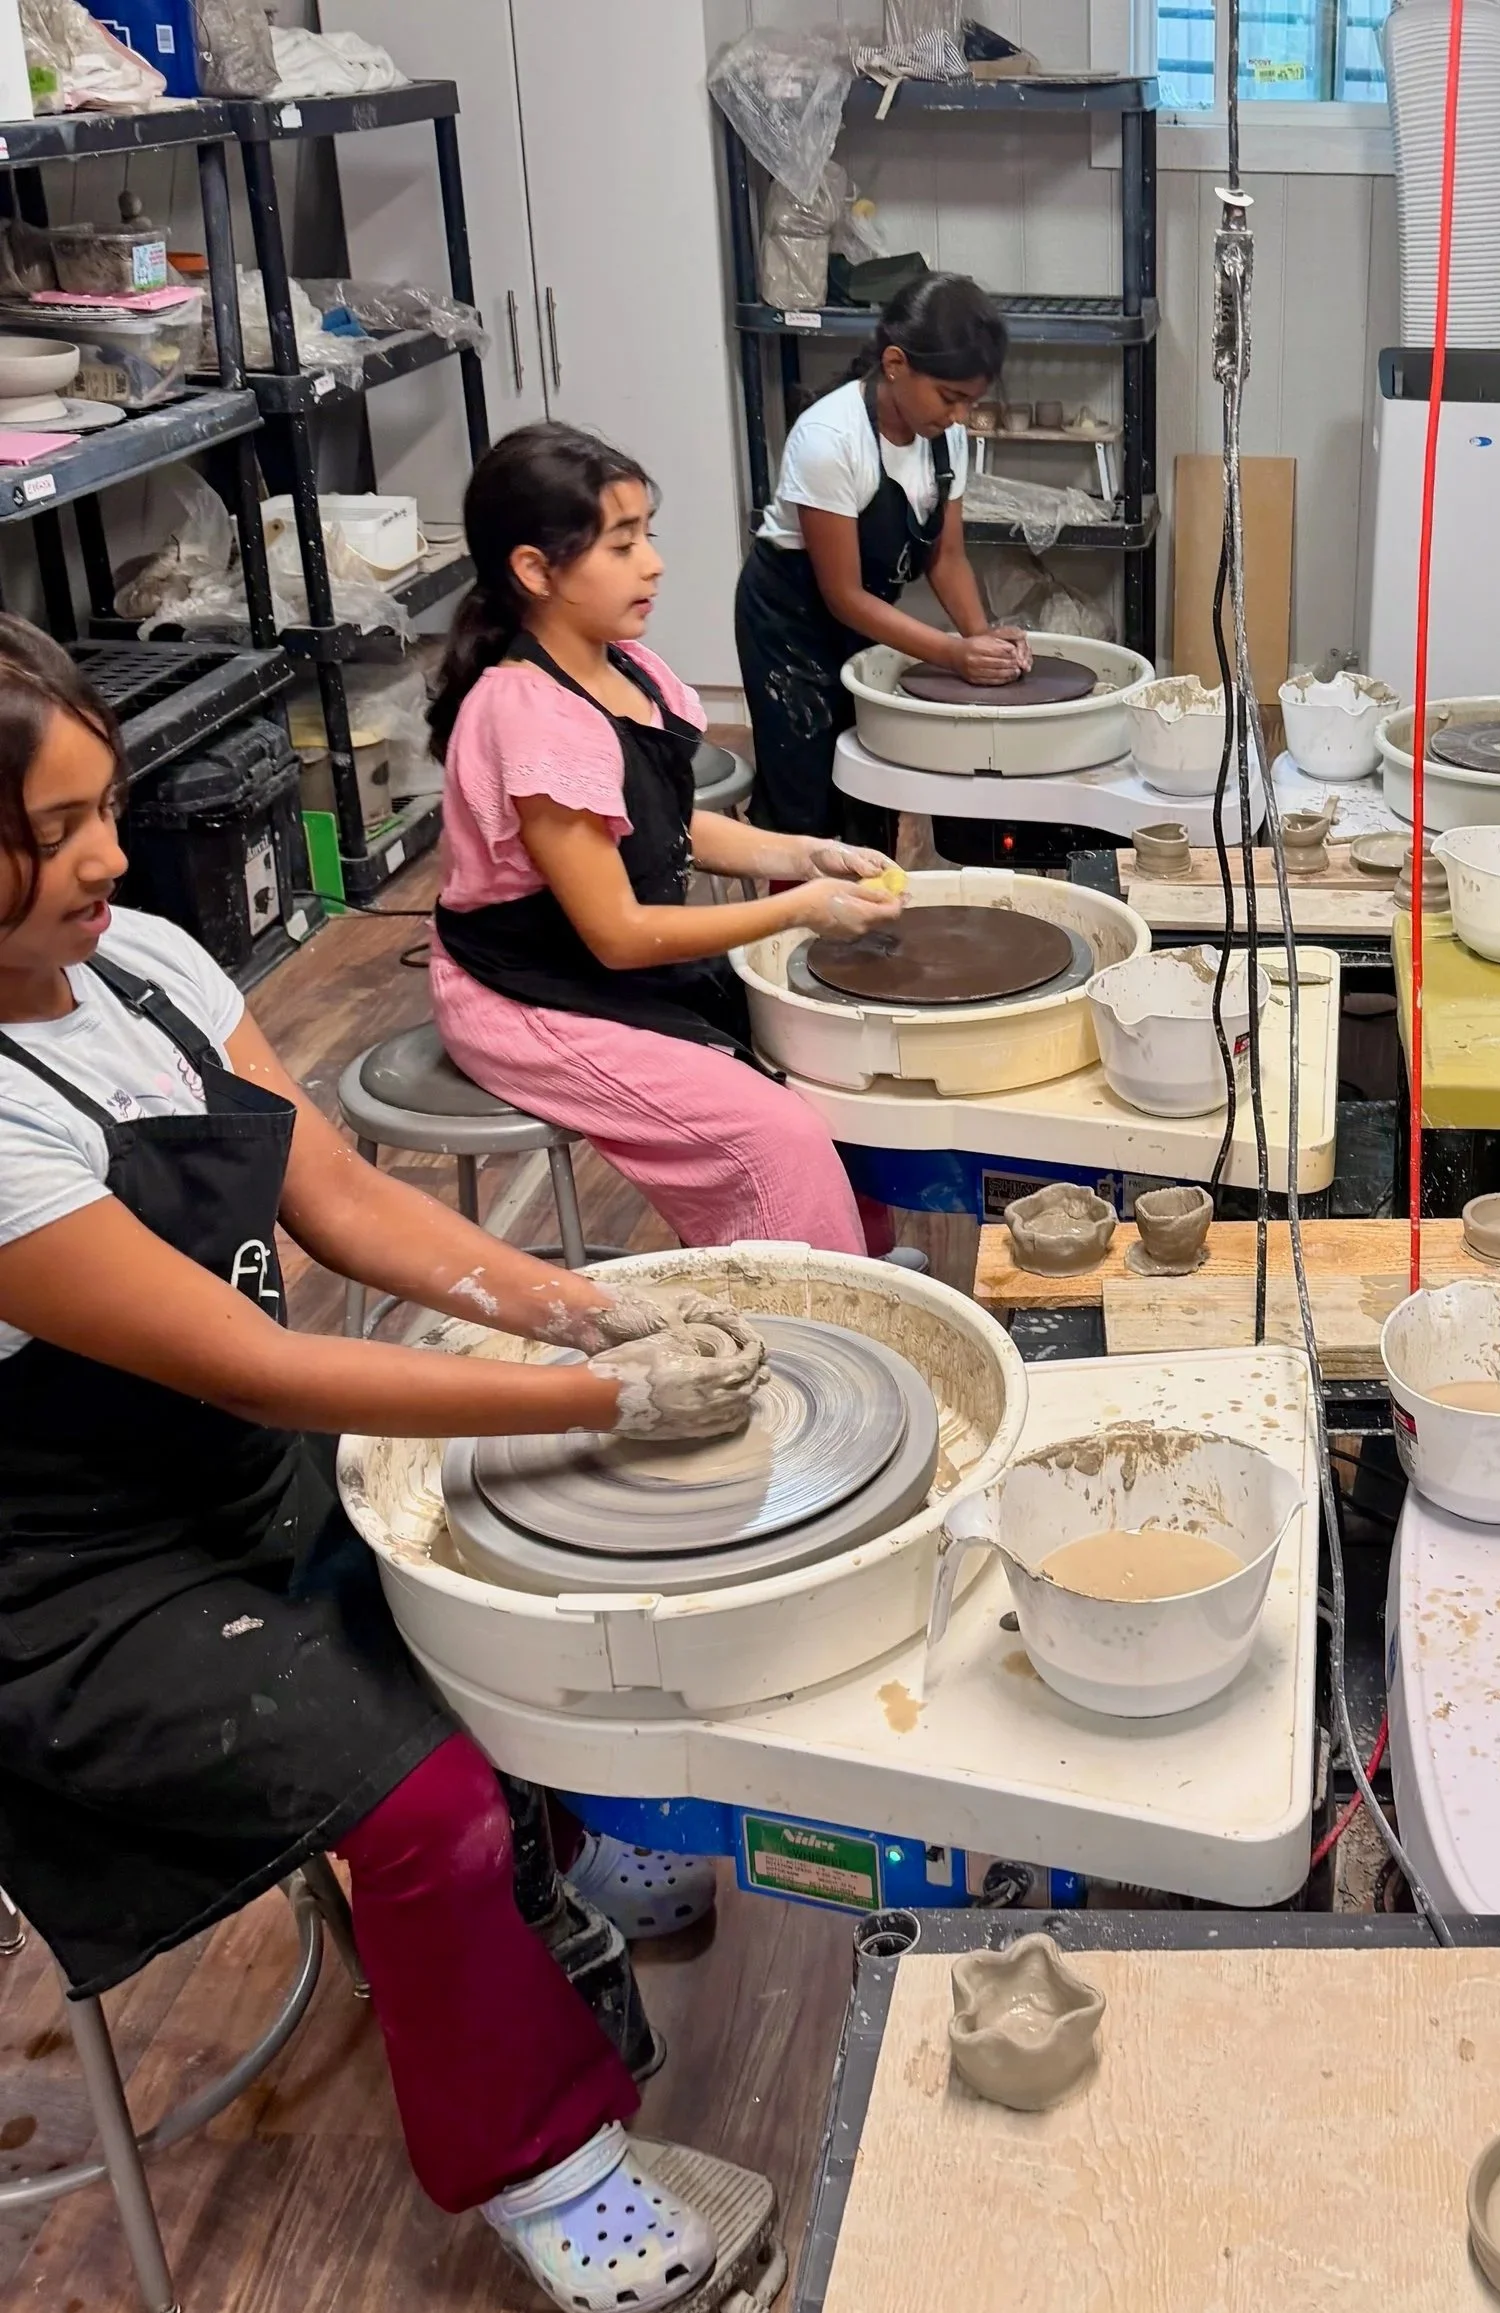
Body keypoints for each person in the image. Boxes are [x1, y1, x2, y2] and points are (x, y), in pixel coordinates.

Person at [0, 621, 768, 2309]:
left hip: (237, 1483)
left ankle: (546, 1871)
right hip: (75, 1584)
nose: (108, 856)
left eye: (104, 805)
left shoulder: (143, 966)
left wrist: (575, 1312)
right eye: (50, 831)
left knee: (505, 1595)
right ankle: (549, 2168)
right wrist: (601, 1404)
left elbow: (334, 1198)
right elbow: (260, 1358)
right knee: (419, 1794)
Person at [431, 422, 903, 1258]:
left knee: (820, 1059)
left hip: (595, 966)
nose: (652, 562)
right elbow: (618, 935)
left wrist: (802, 853)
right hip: (529, 997)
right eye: (620, 544)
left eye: (648, 534)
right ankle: (819, 1329)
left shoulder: (626, 670)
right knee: (774, 1135)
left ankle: (855, 1264)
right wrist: (800, 909)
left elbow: (663, 823)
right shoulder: (531, 714)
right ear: (535, 570)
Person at [733, 272, 1023, 852]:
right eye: (950, 396)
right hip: (793, 626)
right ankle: (793, 930)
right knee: (806, 800)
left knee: (870, 786)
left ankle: (869, 926)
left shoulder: (945, 438)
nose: (962, 416)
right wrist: (950, 654)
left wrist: (983, 640)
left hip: (862, 621)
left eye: (971, 400)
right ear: (895, 363)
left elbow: (946, 556)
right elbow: (842, 594)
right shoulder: (829, 440)